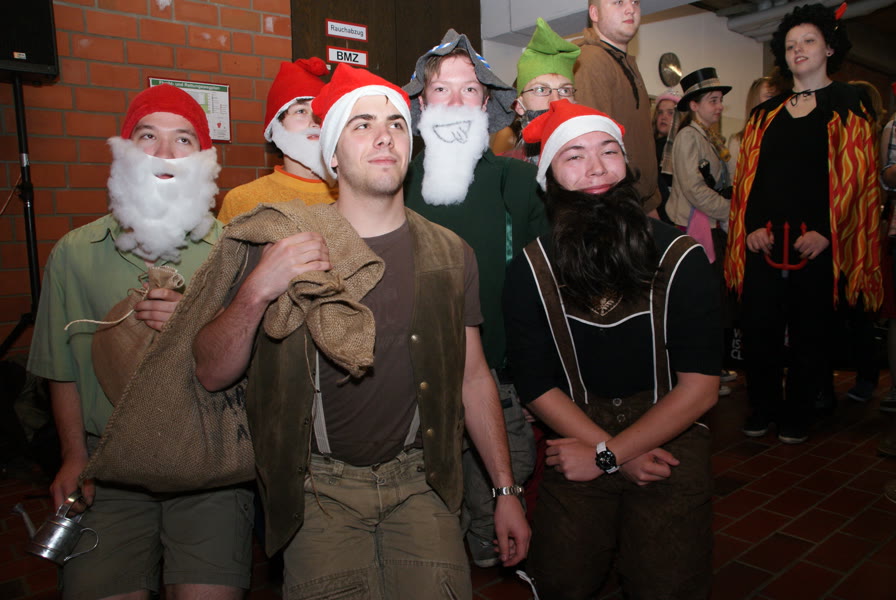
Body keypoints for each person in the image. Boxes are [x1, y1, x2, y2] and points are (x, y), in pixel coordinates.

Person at [193, 64, 530, 598]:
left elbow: (473, 377)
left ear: (410, 147)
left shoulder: (449, 254)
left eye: (396, 124)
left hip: (423, 483)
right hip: (318, 491)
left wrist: (505, 490)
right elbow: (212, 373)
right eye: (362, 124)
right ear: (331, 155)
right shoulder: (281, 243)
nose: (383, 136)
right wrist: (257, 289)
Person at [27, 84, 252, 599]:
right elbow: (62, 368)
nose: (164, 153)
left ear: (204, 160)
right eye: (148, 136)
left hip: (209, 463)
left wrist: (194, 329)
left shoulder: (234, 251)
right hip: (109, 469)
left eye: (183, 139)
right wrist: (73, 455)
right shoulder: (75, 254)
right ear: (125, 150)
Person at [504, 99, 719, 599]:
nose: (597, 168)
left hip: (670, 429)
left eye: (608, 151)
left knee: (666, 583)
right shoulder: (531, 270)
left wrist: (607, 457)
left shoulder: (681, 257)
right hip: (576, 426)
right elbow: (535, 384)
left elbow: (701, 388)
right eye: (574, 155)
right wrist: (614, 455)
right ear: (550, 177)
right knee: (561, 577)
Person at [402, 29, 542, 568]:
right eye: (441, 89)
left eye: (469, 90)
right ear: (421, 104)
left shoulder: (517, 182)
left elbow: (539, 292)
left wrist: (532, 380)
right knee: (428, 536)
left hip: (498, 384)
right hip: (410, 389)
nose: (456, 102)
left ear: (487, 105)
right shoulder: (393, 179)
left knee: (493, 530)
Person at [725, 3, 883, 444]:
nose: (798, 49)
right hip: (765, 240)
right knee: (759, 329)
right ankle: (762, 407)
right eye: (791, 44)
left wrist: (826, 232)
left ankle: (799, 411)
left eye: (808, 41)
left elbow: (858, 177)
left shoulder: (849, 103)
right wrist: (752, 226)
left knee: (811, 333)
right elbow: (749, 181)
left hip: (817, 242)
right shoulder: (765, 114)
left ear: (829, 48)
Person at [217, 57, 336, 224]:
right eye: (301, 111)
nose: (314, 122)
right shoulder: (243, 200)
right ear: (275, 126)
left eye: (321, 111)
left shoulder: (354, 195)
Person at [573, 0, 660, 214]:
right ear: (595, 13)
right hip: (614, 209)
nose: (631, 9)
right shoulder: (590, 59)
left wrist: (651, 205)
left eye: (635, 2)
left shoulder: (623, 61)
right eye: (618, 2)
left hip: (637, 206)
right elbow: (592, 149)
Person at [497, 17, 580, 163]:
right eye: (541, 90)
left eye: (565, 90)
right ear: (519, 106)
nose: (556, 100)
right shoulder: (503, 169)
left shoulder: (594, 164)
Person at [727, 76, 780, 179]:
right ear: (756, 101)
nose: (776, 101)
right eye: (769, 96)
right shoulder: (738, 141)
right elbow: (734, 179)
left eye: (777, 96)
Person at [652, 89, 680, 223]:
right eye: (660, 112)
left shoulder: (681, 147)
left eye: (670, 113)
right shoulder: (650, 144)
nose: (664, 117)